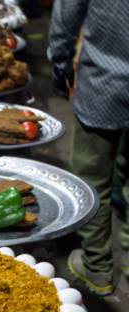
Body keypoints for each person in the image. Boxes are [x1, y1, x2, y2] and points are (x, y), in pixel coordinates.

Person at [49, 0, 129, 296]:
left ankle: (97, 266)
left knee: (93, 178)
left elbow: (66, 17)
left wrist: (60, 62)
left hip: (103, 87)